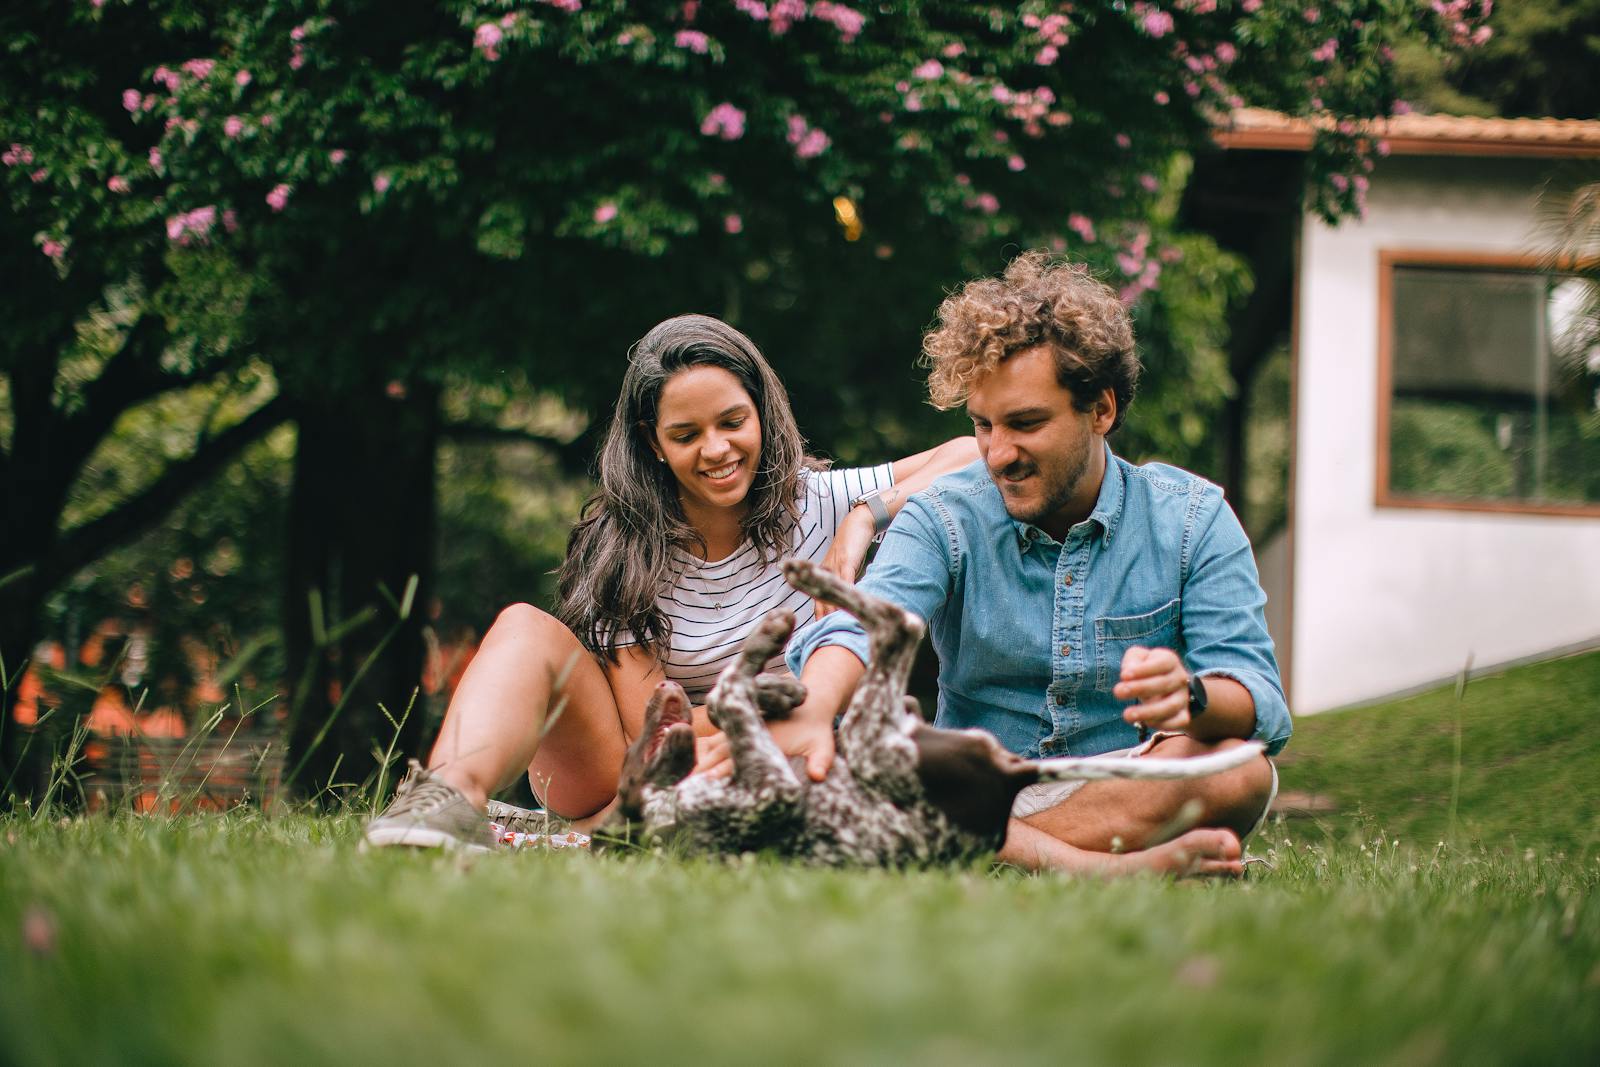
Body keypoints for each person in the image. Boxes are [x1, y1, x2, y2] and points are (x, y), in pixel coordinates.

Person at [364, 314, 978, 849]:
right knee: (523, 626)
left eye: (733, 422)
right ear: (653, 444)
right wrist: (788, 696)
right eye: (686, 435)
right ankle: (445, 801)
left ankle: (607, 832)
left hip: (782, 762)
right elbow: (652, 731)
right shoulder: (622, 547)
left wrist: (869, 514)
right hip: (634, 766)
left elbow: (973, 454)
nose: (716, 450)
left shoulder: (817, 502)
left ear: (761, 414)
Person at [784, 253, 1291, 877]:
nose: (998, 454)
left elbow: (1258, 697)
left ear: (1101, 410)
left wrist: (1190, 696)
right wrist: (816, 707)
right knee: (831, 759)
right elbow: (868, 623)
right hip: (974, 784)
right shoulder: (943, 515)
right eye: (983, 426)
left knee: (1239, 771)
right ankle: (1097, 865)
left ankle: (966, 850)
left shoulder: (1192, 518)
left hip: (1127, 783)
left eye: (1025, 424)